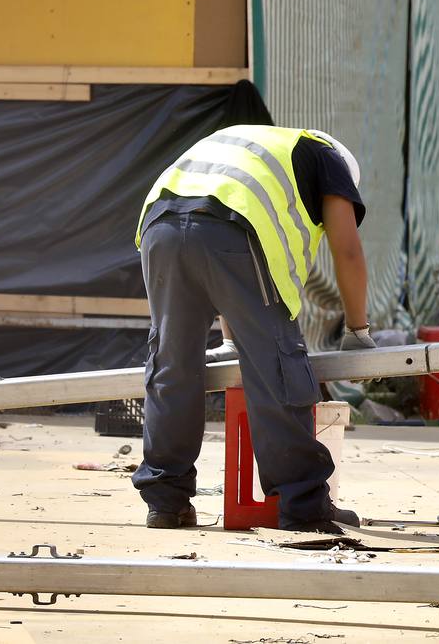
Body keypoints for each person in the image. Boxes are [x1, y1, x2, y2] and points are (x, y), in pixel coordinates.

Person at [131, 125, 377, 531]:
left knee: (171, 365)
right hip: (233, 228)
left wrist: (230, 340)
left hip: (161, 223)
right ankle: (303, 505)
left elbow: (217, 240)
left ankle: (166, 500)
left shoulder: (255, 147)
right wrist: (357, 330)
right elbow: (347, 251)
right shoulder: (328, 160)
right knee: (276, 366)